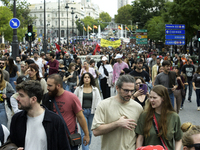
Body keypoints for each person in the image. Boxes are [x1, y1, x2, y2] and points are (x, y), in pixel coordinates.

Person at [10, 80, 71, 150]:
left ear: (33, 99)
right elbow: (11, 142)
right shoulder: (17, 119)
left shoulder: (55, 121)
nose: (17, 98)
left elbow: (64, 147)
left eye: (21, 95)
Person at [92, 75, 143, 150]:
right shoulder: (104, 105)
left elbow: (140, 134)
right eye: (126, 90)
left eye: (132, 91)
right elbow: (96, 131)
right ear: (117, 88)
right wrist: (117, 124)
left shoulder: (138, 107)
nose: (129, 94)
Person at [43, 74, 90, 150]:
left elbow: (81, 117)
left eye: (50, 85)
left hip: (69, 139)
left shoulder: (72, 97)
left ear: (58, 86)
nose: (47, 88)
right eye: (47, 85)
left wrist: (86, 135)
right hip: (52, 139)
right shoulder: (46, 97)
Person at [136, 85, 183, 150]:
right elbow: (140, 138)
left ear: (163, 98)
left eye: (154, 98)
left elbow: (178, 139)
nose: (151, 100)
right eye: (150, 97)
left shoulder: (174, 117)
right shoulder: (145, 115)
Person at [74, 72, 101, 150]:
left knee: (89, 132)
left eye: (88, 77)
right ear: (82, 79)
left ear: (90, 79)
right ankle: (86, 148)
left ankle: (86, 146)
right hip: (81, 113)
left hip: (92, 112)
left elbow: (99, 101)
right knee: (84, 133)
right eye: (85, 77)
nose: (86, 79)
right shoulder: (79, 89)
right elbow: (74, 99)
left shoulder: (95, 89)